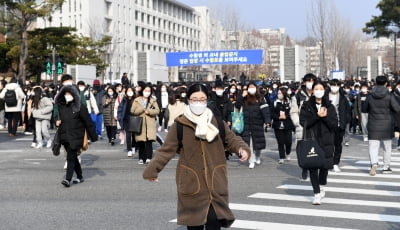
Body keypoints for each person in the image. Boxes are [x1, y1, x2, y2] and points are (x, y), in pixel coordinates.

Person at [143, 83, 250, 230]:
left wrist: (242, 149)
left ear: (207, 101)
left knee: (214, 222)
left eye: (202, 99)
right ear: (188, 100)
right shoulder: (180, 124)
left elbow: (231, 139)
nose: (198, 103)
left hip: (215, 181)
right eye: (194, 99)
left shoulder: (217, 122)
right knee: (194, 226)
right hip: (191, 181)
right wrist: (152, 170)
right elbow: (165, 150)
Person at [299, 81, 337, 205]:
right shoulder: (306, 105)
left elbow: (334, 125)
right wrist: (317, 116)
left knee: (324, 167)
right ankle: (316, 193)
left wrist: (325, 117)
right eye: (316, 88)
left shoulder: (330, 106)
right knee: (313, 167)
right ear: (313, 91)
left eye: (321, 88)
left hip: (327, 141)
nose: (319, 91)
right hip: (312, 139)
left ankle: (321, 185)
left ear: (324, 90)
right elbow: (303, 123)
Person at [55, 85, 97, 187]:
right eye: (65, 94)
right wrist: (56, 121)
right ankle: (80, 176)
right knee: (72, 157)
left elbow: (88, 122)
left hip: (76, 135)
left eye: (69, 94)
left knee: (70, 157)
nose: (67, 96)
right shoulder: (62, 106)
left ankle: (67, 179)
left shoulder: (80, 107)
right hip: (64, 135)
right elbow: (57, 117)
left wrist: (93, 136)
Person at [362, 75, 400, 175]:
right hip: (387, 125)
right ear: (386, 83)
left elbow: (364, 109)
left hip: (373, 124)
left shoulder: (370, 96)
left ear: (375, 83)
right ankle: (386, 167)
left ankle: (374, 163)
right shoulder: (389, 95)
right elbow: (397, 109)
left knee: (373, 146)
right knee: (387, 147)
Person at [236, 82, 271, 169]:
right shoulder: (244, 99)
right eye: (249, 87)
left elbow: (265, 110)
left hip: (257, 123)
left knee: (257, 144)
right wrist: (241, 96)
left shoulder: (260, 98)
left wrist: (267, 121)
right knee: (249, 143)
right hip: (246, 124)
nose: (251, 89)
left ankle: (258, 156)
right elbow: (237, 106)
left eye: (253, 87)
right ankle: (251, 160)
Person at [291, 73, 317, 180]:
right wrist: (298, 123)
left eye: (312, 81)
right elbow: (293, 112)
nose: (310, 83)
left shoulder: (319, 94)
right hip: (302, 127)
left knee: (315, 150)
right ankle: (304, 168)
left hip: (316, 127)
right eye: (308, 81)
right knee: (302, 150)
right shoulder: (298, 96)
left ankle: (313, 170)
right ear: (304, 82)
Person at [131, 83, 160, 164]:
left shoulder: (153, 100)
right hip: (140, 123)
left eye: (149, 91)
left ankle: (148, 157)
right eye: (145, 90)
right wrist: (141, 110)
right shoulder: (137, 100)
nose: (147, 92)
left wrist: (149, 112)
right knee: (141, 141)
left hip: (150, 123)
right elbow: (133, 111)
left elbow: (157, 110)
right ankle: (141, 158)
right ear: (142, 91)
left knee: (149, 141)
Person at [328, 79, 351, 172]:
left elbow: (348, 111)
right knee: (328, 145)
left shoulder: (343, 97)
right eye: (333, 85)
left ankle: (335, 163)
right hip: (327, 125)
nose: (335, 87)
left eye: (337, 85)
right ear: (330, 86)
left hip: (339, 124)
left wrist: (345, 122)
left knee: (338, 145)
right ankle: (328, 162)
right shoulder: (325, 96)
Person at [271, 87, 295, 164]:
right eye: (278, 93)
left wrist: (286, 116)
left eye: (280, 93)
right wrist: (278, 117)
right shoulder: (275, 102)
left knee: (288, 141)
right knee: (280, 142)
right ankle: (281, 157)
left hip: (288, 124)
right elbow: (271, 113)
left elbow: (293, 112)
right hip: (278, 125)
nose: (279, 95)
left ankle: (288, 152)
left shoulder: (290, 102)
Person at [117, 86, 137, 157]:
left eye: (131, 90)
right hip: (126, 119)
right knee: (128, 135)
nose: (130, 92)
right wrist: (119, 117)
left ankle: (134, 146)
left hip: (134, 118)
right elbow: (120, 108)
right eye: (128, 90)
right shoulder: (124, 99)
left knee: (134, 135)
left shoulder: (136, 99)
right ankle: (129, 149)